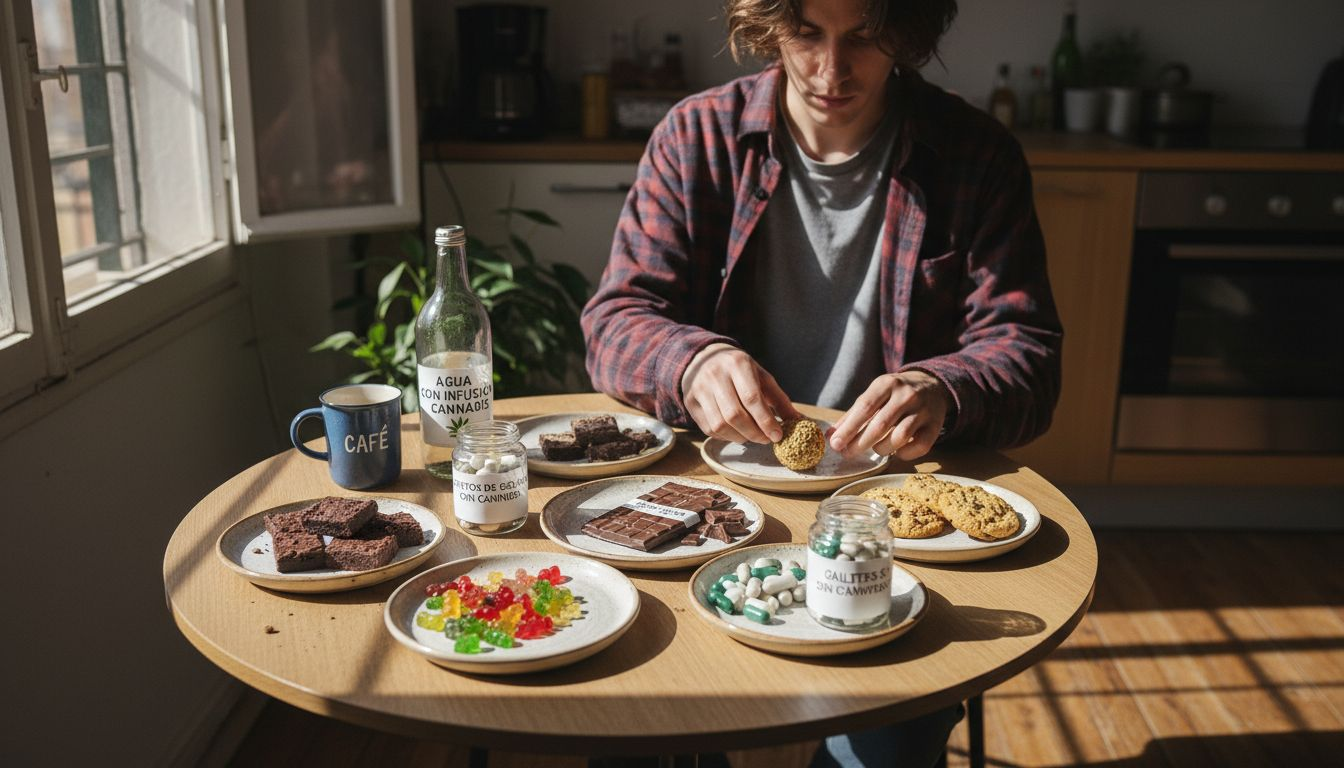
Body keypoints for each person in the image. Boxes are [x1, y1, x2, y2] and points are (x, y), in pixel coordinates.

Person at [582, 0, 1062, 765]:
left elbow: (1028, 352)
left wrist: (942, 387)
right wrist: (693, 360)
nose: (831, 70)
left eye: (865, 38)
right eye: (807, 33)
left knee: (883, 749)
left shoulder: (974, 154)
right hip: (712, 504)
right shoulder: (697, 136)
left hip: (890, 517)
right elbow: (617, 319)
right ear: (767, 25)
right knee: (642, 719)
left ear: (906, 33)